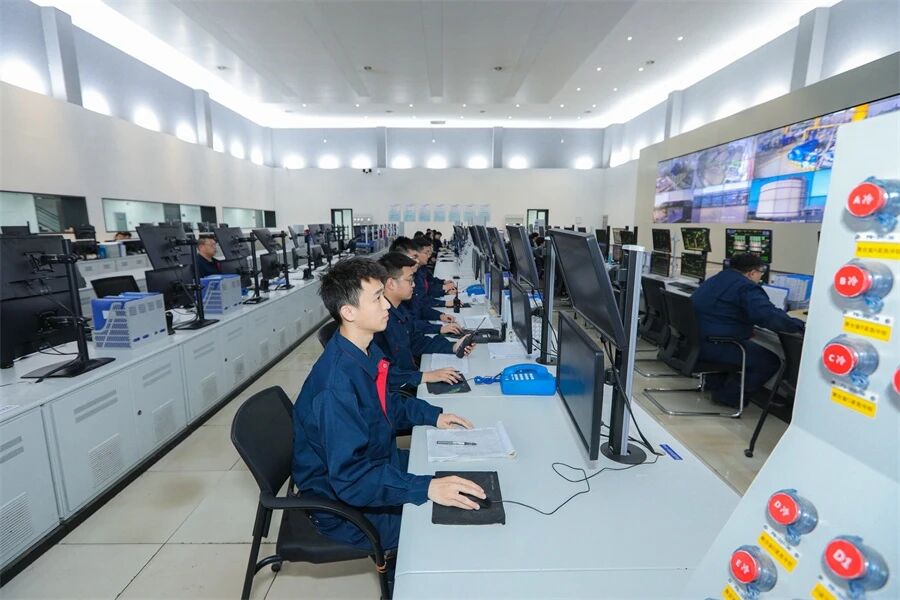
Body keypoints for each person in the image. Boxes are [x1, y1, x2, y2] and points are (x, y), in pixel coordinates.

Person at [291, 258, 485, 565]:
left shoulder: (365, 350)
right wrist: (425, 487)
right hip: (343, 506)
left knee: (460, 466)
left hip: (377, 461)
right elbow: (351, 480)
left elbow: (385, 404)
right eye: (377, 298)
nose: (386, 305)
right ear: (349, 312)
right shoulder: (335, 388)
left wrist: (432, 415)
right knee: (440, 523)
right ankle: (400, 575)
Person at [692, 253, 805, 408]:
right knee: (769, 362)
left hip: (696, 340)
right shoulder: (746, 286)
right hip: (715, 344)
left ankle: (714, 385)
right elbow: (767, 316)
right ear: (752, 273)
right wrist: (798, 325)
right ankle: (729, 397)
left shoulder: (716, 279)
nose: (760, 277)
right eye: (760, 273)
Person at [374, 252, 474, 391]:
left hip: (410, 378)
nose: (414, 285)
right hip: (400, 390)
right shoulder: (379, 322)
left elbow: (416, 341)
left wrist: (452, 347)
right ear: (391, 283)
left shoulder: (399, 309)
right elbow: (384, 375)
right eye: (409, 280)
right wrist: (424, 376)